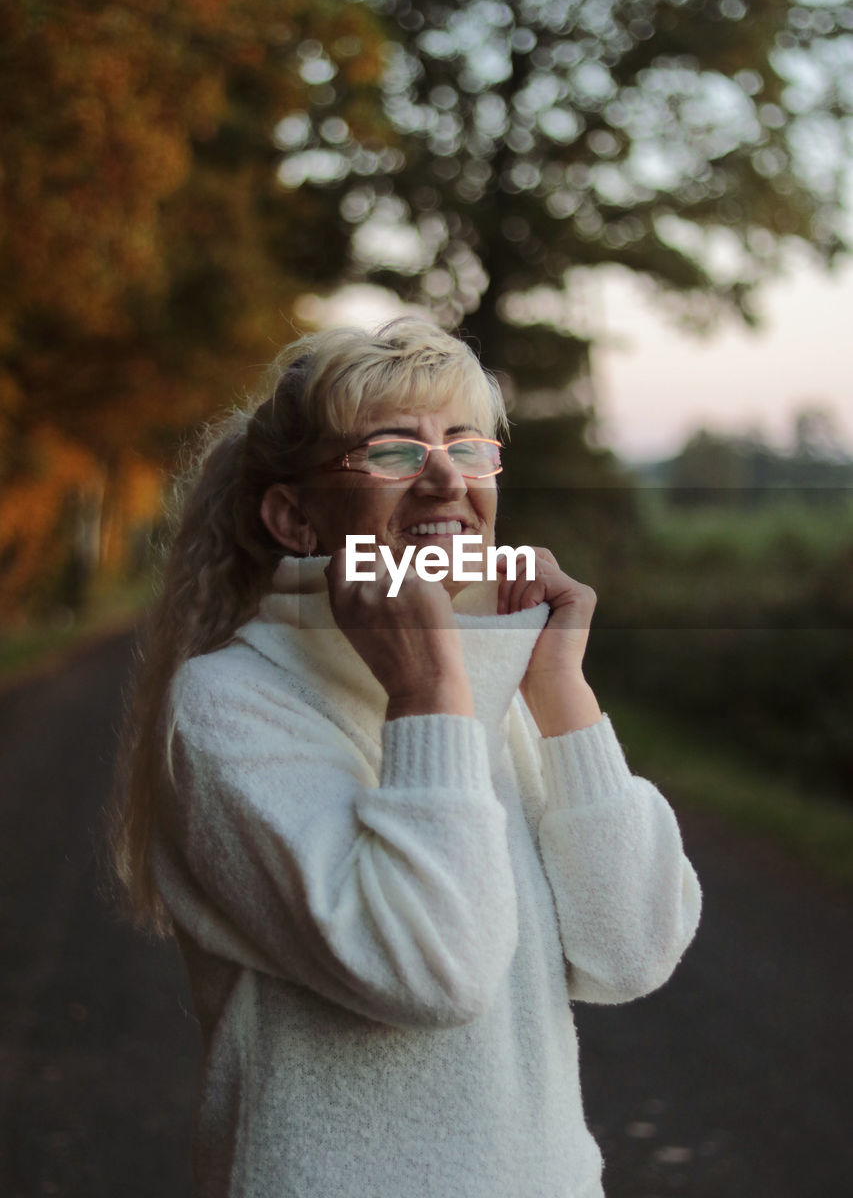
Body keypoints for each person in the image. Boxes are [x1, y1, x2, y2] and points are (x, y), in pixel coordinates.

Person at [112, 316, 702, 1198]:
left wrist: (559, 692)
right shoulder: (228, 705)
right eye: (390, 453)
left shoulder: (488, 684)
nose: (443, 480)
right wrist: (425, 691)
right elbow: (435, 973)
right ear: (294, 517)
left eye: (468, 448)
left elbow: (630, 950)